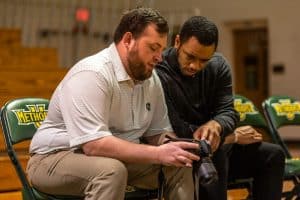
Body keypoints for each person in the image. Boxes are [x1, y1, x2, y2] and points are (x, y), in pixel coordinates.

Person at [26, 8, 200, 200]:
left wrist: (175, 148)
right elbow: (94, 145)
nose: (159, 57)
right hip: (54, 158)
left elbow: (157, 132)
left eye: (161, 50)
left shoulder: (151, 79)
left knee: (180, 166)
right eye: (153, 48)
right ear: (127, 40)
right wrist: (158, 154)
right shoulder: (92, 74)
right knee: (111, 171)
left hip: (113, 158)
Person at [156, 16, 285, 200]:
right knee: (216, 155)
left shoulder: (218, 65)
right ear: (177, 42)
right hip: (185, 154)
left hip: (218, 149)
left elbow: (229, 112)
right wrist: (231, 137)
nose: (195, 66)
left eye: (204, 60)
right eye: (190, 57)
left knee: (273, 155)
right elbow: (177, 128)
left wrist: (216, 125)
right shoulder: (159, 72)